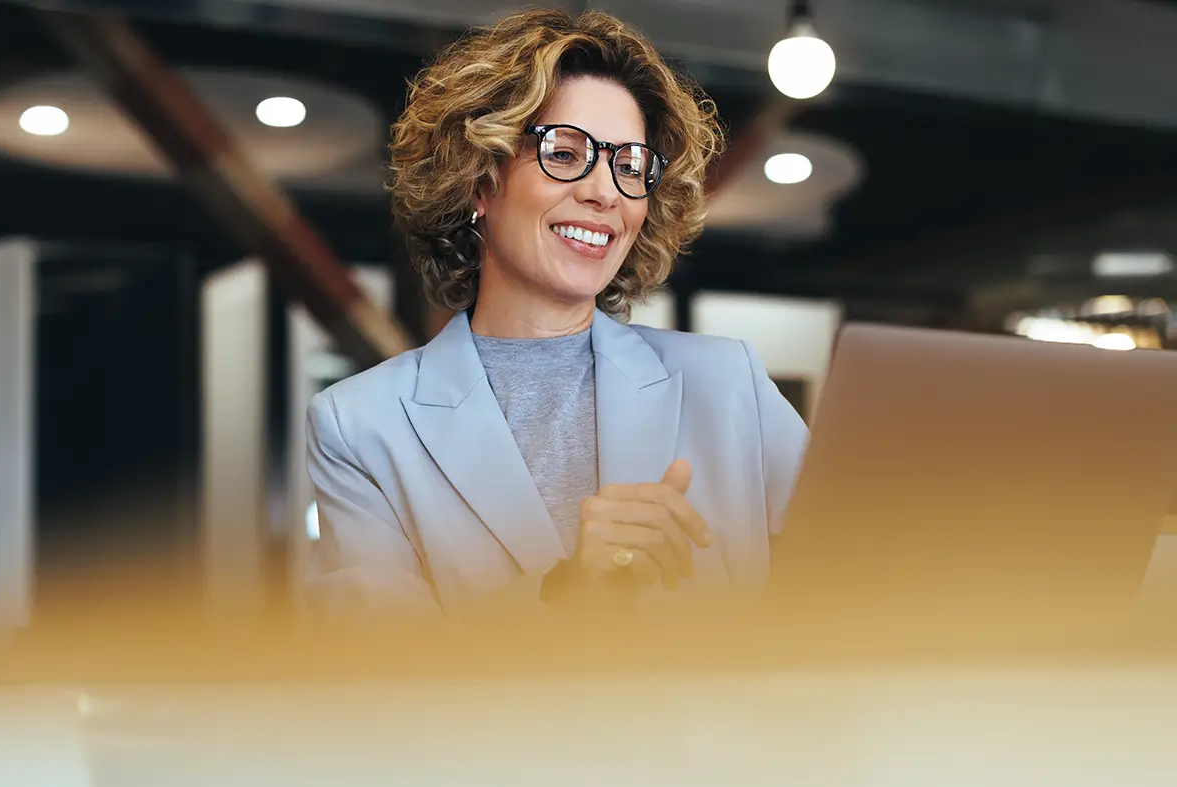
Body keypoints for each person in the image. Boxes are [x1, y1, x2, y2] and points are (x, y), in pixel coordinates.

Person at [305, 8, 809, 620]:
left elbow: (868, 563)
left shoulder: (729, 384)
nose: (605, 192)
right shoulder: (358, 425)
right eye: (565, 155)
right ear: (480, 181)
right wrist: (565, 592)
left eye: (629, 166)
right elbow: (383, 660)